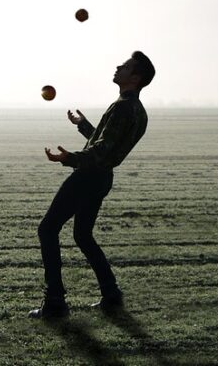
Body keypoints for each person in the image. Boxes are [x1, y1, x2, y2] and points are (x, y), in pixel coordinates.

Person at [29, 51, 155, 320]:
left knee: (47, 229)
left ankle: (55, 302)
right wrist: (83, 125)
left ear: (135, 78)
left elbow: (101, 150)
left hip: (88, 176)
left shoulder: (122, 107)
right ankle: (111, 294)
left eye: (126, 66)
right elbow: (108, 143)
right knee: (83, 235)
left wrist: (68, 158)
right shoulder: (137, 110)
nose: (118, 67)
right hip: (102, 178)